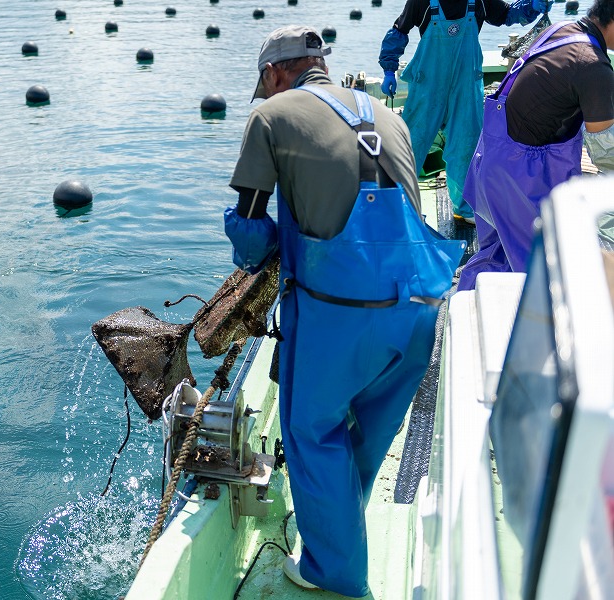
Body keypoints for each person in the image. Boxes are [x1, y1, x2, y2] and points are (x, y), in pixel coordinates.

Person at [224, 25, 464, 596]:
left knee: (311, 429)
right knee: (367, 429)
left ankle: (335, 572)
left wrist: (254, 246)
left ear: (277, 73)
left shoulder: (272, 116)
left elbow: (253, 231)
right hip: (418, 311)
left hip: (340, 312)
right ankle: (338, 529)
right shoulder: (389, 115)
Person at [459, 1, 614, 289]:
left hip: (489, 164)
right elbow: (606, 151)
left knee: (493, 259)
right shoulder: (592, 65)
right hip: (518, 179)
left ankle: (464, 309)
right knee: (540, 275)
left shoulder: (560, 31)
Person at [378, 0, 551, 224]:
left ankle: (465, 206)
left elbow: (506, 15)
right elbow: (400, 30)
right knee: (411, 144)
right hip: (428, 87)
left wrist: (531, 7)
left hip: (465, 86)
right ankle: (398, 205)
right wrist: (389, 68)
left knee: (466, 146)